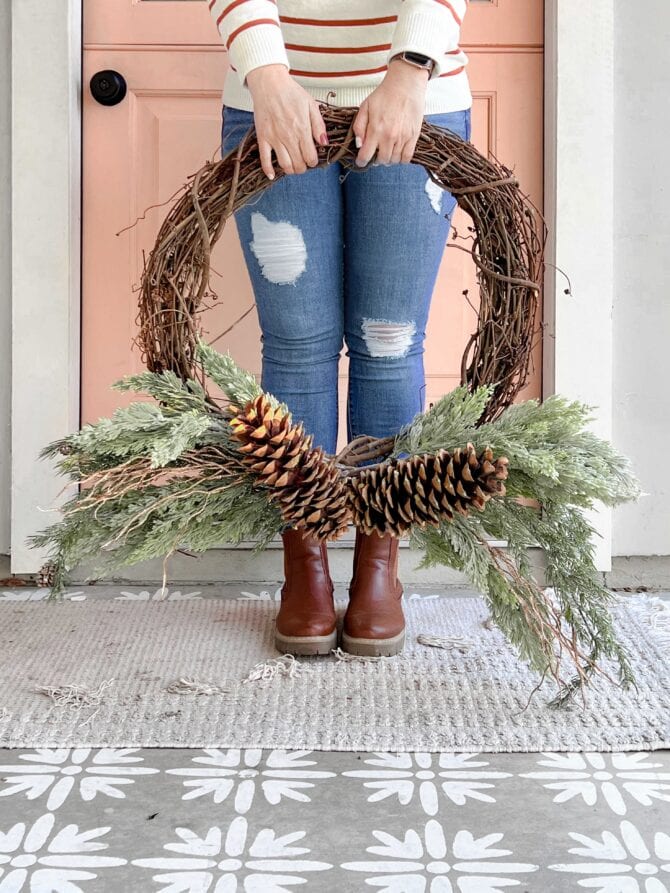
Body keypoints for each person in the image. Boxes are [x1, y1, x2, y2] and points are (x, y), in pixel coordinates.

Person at [209, 0, 472, 659]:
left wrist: (410, 72)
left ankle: (379, 569)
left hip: (418, 103)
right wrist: (267, 76)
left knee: (390, 340)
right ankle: (307, 565)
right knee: (298, 345)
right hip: (272, 101)